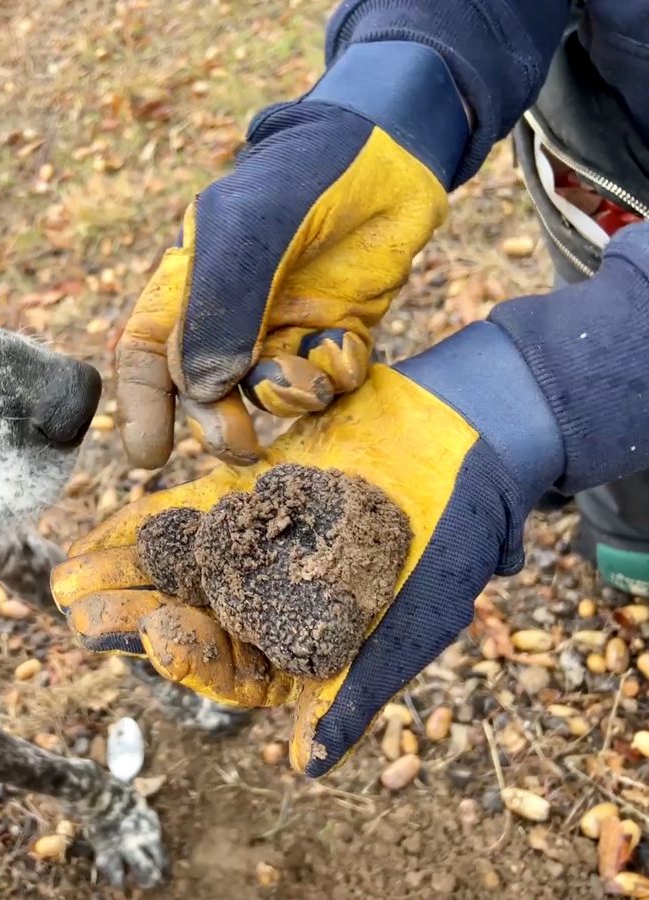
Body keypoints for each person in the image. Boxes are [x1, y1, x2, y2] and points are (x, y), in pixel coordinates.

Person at [51, 0, 649, 777]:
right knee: (628, 500)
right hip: (609, 156)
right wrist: (404, 81)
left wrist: (559, 381)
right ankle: (630, 536)